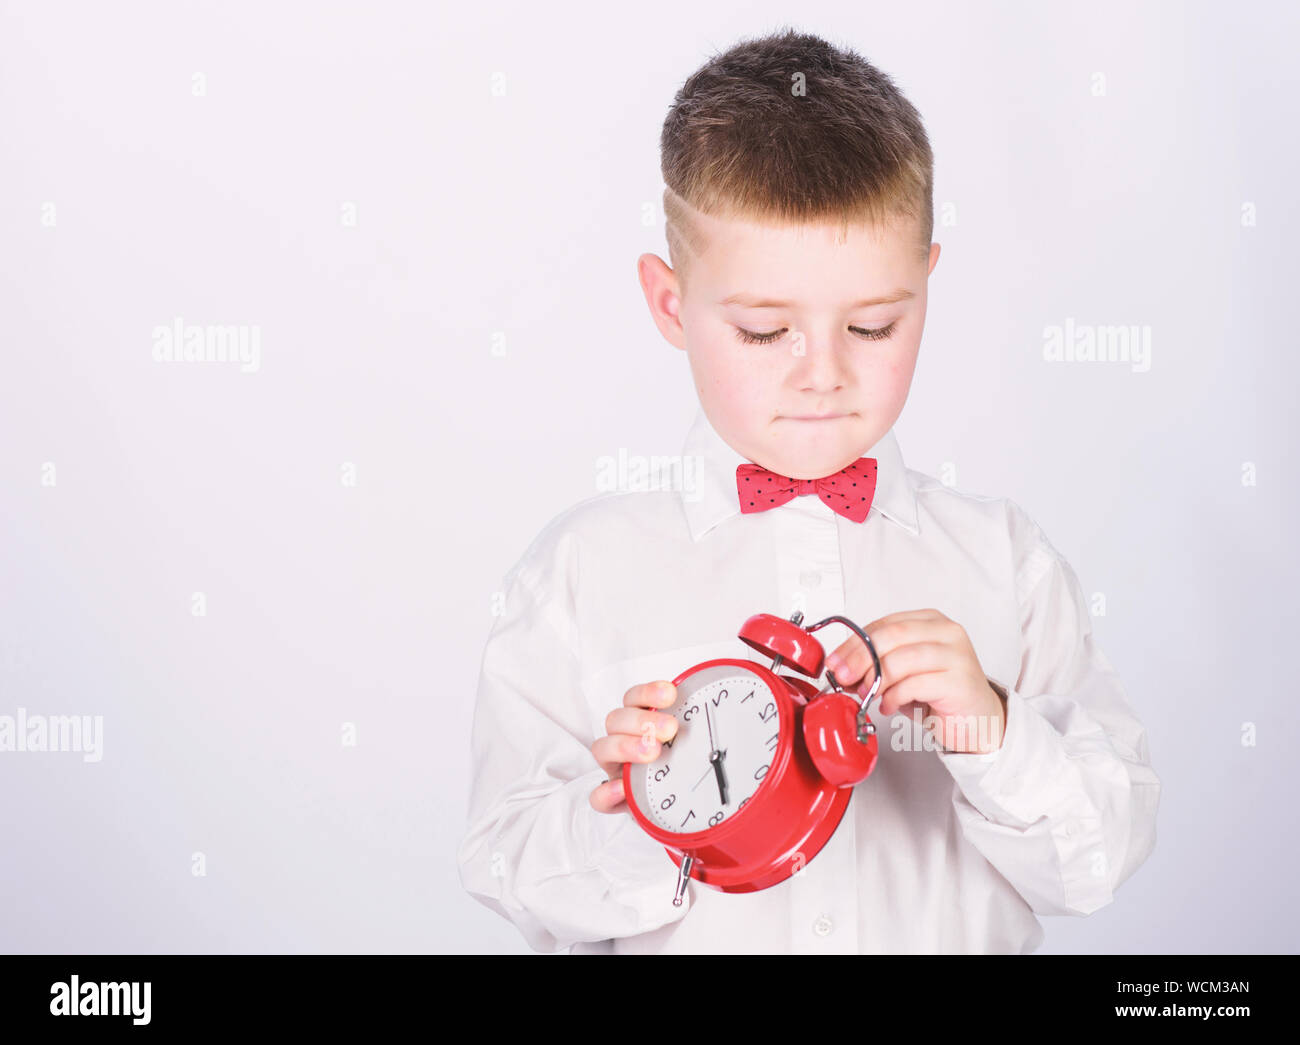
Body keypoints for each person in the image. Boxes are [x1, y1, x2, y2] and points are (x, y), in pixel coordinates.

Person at [456, 27, 1160, 954]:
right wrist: (646, 814)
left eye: (872, 326)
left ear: (925, 287)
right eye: (760, 331)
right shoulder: (582, 573)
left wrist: (993, 729)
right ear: (672, 304)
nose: (821, 373)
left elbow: (1097, 863)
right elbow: (503, 863)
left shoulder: (1005, 563)